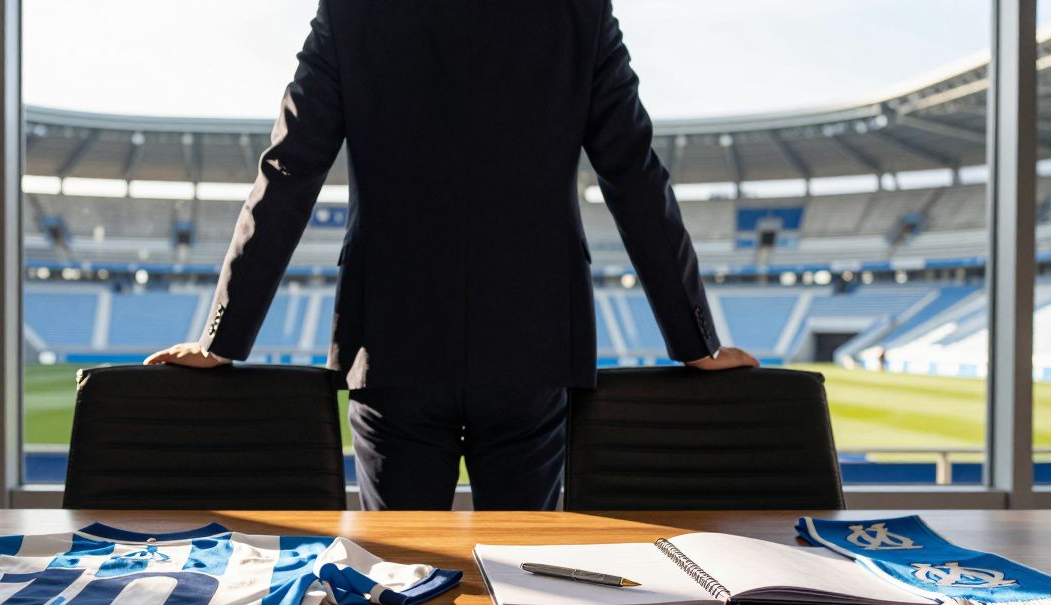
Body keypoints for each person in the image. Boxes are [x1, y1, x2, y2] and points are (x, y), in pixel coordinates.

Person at [146, 0, 759, 511]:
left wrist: (222, 337)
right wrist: (694, 341)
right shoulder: (579, 12)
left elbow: (290, 172)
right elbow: (634, 176)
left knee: (398, 586)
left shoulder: (352, 11)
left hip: (394, 347)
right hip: (532, 347)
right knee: (528, 586)